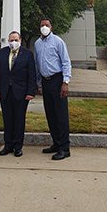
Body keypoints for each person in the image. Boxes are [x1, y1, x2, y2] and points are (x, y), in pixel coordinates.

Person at [0, 31, 36, 157]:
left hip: (21, 93)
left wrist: (30, 92)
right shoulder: (2, 53)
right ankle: (8, 145)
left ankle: (18, 146)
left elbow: (31, 74)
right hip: (5, 92)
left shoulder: (27, 54)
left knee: (19, 120)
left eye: (16, 40)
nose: (13, 42)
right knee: (7, 119)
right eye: (11, 40)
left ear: (20, 40)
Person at [34, 18, 71, 160]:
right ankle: (56, 143)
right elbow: (38, 64)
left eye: (46, 25)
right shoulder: (37, 44)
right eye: (42, 25)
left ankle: (65, 148)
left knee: (60, 115)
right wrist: (38, 83)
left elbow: (66, 62)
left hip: (57, 80)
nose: (44, 27)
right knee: (50, 114)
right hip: (45, 81)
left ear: (51, 26)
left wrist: (65, 81)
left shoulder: (58, 42)